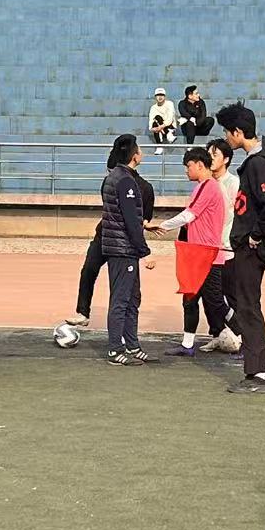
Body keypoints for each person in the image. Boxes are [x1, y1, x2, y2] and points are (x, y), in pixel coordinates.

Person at [218, 102, 265, 394]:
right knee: (245, 305)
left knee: (247, 307)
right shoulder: (256, 161)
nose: (226, 137)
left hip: (252, 248)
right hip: (246, 245)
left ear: (238, 132)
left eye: (227, 132)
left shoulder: (258, 164)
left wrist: (257, 235)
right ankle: (258, 368)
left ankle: (258, 373)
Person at [151, 145, 232, 356]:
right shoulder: (203, 187)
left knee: (216, 303)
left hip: (208, 255)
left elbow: (188, 215)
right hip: (197, 254)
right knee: (190, 299)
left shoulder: (209, 186)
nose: (187, 170)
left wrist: (162, 225)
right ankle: (187, 345)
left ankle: (245, 337)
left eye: (188, 166)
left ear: (199, 165)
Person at [68, 150, 155, 328]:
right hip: (104, 235)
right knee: (89, 270)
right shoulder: (111, 181)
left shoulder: (144, 187)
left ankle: (125, 327)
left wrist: (143, 236)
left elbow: (142, 218)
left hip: (125, 242)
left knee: (126, 287)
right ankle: (83, 312)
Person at [100, 133, 156, 365]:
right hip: (122, 249)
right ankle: (115, 349)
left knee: (133, 298)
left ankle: (132, 344)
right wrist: (145, 251)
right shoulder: (124, 181)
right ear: (134, 155)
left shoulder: (113, 177)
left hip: (121, 248)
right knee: (121, 300)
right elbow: (132, 220)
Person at [197, 138, 243, 355]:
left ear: (226, 159)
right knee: (210, 296)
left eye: (214, 155)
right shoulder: (205, 183)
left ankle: (241, 336)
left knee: (230, 295)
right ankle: (217, 334)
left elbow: (233, 214)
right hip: (207, 248)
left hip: (226, 247)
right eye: (208, 154)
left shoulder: (233, 183)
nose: (210, 158)